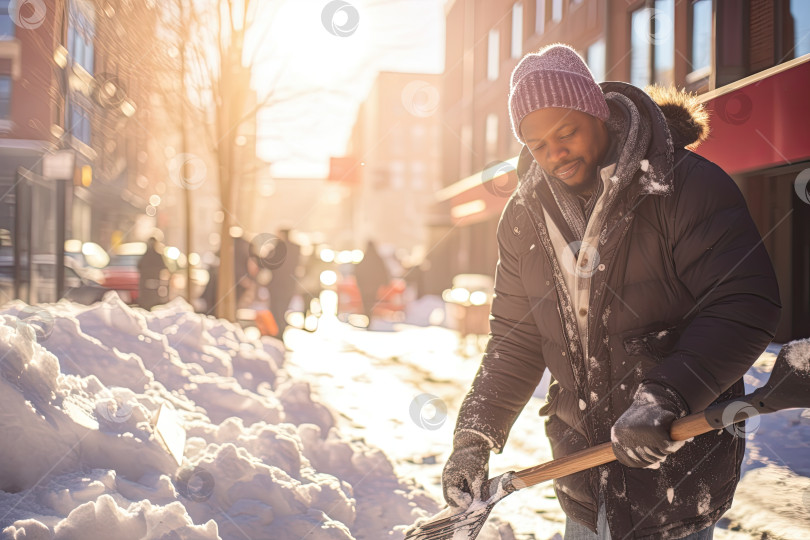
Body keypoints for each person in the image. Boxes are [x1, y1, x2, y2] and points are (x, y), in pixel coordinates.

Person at [441, 44, 781, 540]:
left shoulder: (682, 185)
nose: (554, 154)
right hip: (583, 475)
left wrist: (666, 394)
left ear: (596, 110)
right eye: (537, 145)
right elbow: (516, 339)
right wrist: (474, 435)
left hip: (672, 474)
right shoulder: (523, 216)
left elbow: (744, 303)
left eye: (566, 133)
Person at [354, 240, 389, 322]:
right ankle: (369, 317)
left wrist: (359, 283)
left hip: (364, 286)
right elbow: (383, 271)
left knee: (366, 302)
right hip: (374, 286)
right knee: (372, 301)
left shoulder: (364, 258)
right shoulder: (377, 258)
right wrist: (385, 282)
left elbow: (357, 271)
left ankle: (367, 316)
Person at [137, 237, 167, 310]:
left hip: (151, 282)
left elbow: (139, 266)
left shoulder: (147, 256)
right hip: (148, 283)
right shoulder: (155, 256)